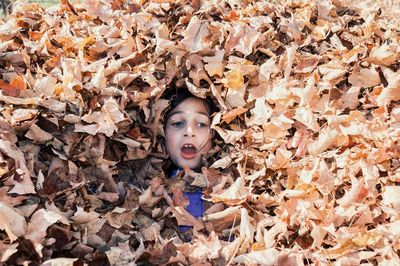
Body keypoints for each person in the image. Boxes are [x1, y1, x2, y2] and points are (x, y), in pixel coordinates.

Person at [163, 88, 215, 221]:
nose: (189, 131)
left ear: (214, 134)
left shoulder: (230, 190)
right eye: (178, 123)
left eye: (201, 124)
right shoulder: (146, 188)